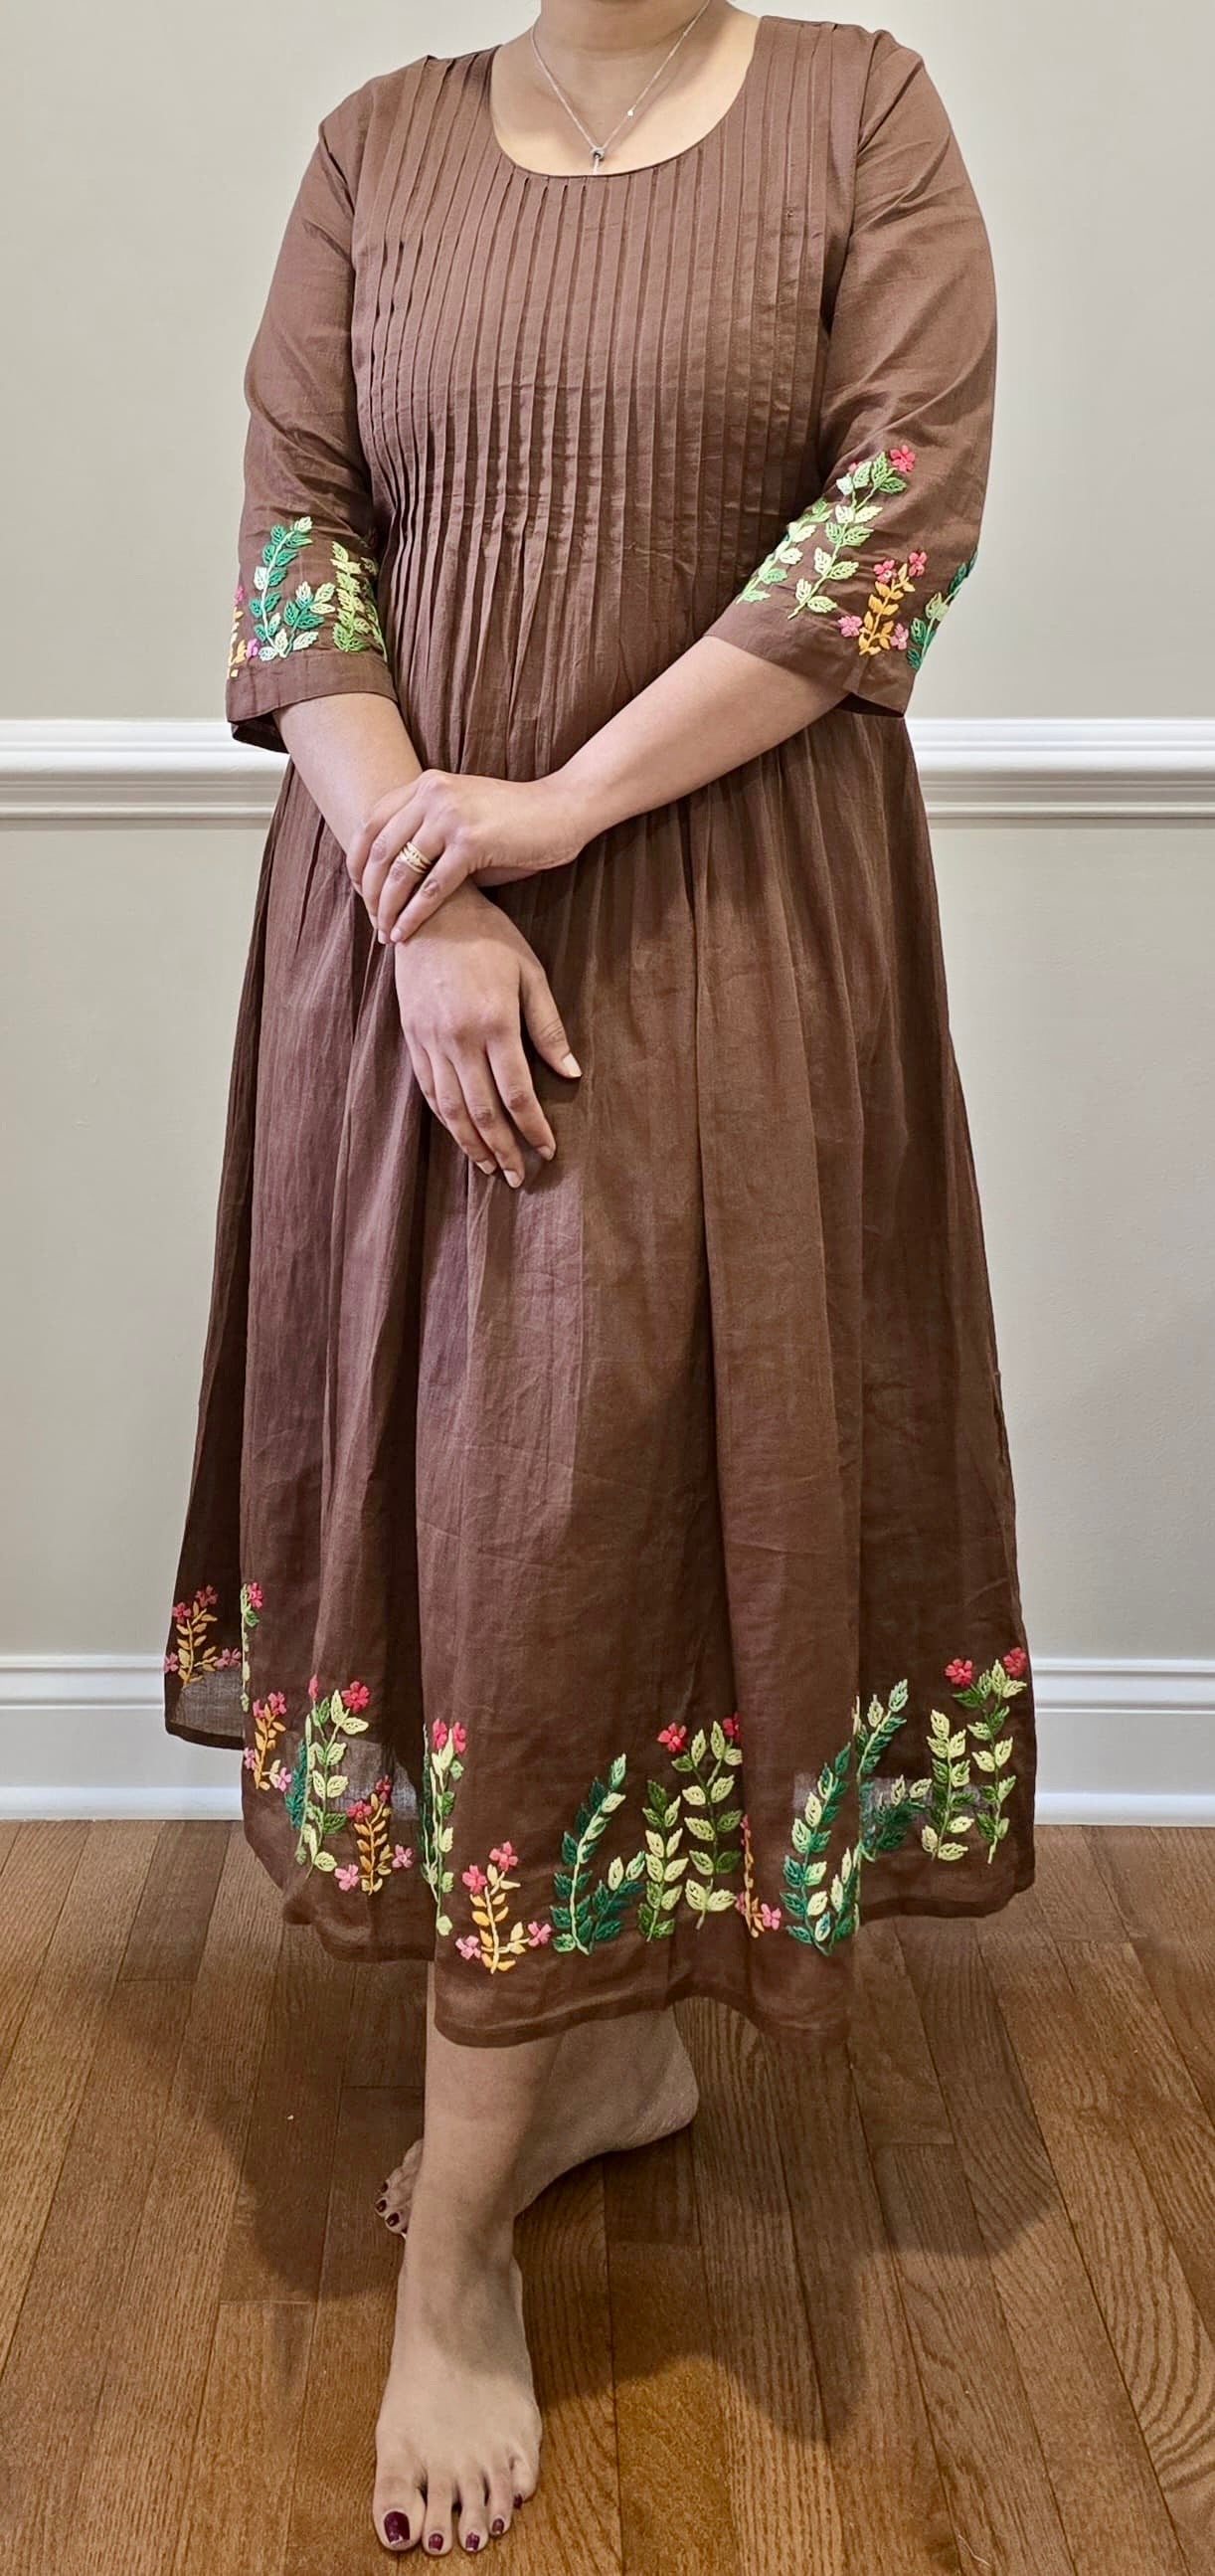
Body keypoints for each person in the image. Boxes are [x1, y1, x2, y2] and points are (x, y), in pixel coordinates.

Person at [163, 3, 1036, 2554]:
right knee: (473, 1514)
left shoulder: (860, 111)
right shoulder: (375, 145)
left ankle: (474, 2206)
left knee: (633, 1503)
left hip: (732, 926)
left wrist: (545, 809)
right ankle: (538, 2124)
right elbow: (296, 537)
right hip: (404, 943)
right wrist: (431, 888)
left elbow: (895, 513)